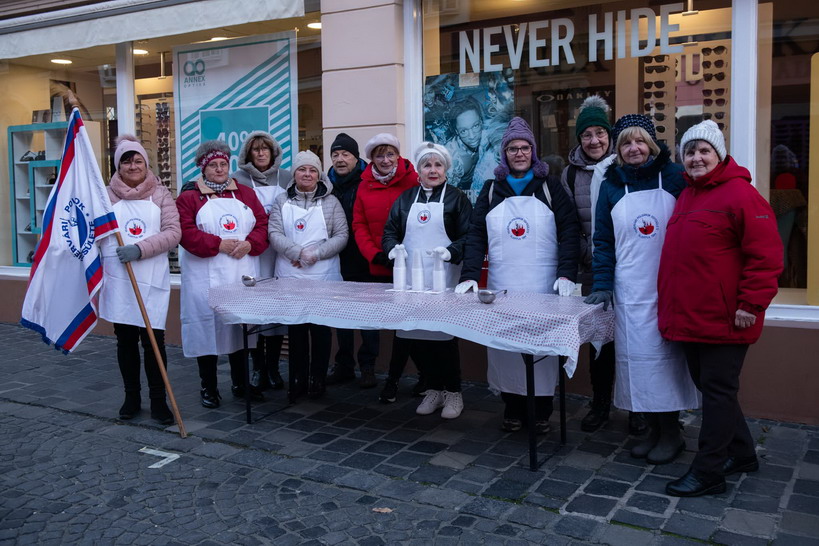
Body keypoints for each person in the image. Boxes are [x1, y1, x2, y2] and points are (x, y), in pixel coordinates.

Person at [659, 121, 783, 496]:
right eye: (690, 152)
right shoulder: (688, 195)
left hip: (727, 317)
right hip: (693, 315)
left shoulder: (742, 195)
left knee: (717, 393)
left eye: (704, 151)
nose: (696, 158)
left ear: (720, 155)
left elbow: (766, 256)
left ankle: (708, 471)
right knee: (715, 390)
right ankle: (741, 453)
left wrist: (751, 303)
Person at [584, 115, 699, 464]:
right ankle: (653, 428)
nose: (633, 149)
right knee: (637, 361)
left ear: (651, 145)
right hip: (630, 290)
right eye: (626, 143)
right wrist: (602, 284)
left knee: (667, 362)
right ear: (618, 150)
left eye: (639, 142)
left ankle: (672, 433)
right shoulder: (611, 185)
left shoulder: (676, 177)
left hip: (669, 287)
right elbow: (603, 241)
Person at [455, 117, 580, 434]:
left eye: (525, 148)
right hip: (504, 285)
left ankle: (541, 411)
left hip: (543, 285)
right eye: (513, 148)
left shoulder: (550, 186)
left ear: (533, 152)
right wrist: (470, 276)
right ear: (505, 154)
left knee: (541, 348)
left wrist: (566, 273)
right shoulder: (491, 189)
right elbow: (476, 235)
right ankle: (511, 407)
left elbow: (569, 230)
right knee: (506, 348)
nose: (519, 153)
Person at [560, 96, 647, 436]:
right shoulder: (570, 175)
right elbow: (569, 226)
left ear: (610, 136)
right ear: (579, 138)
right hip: (593, 270)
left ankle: (637, 407)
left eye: (600, 133)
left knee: (633, 340)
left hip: (633, 270)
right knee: (600, 344)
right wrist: (592, 256)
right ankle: (600, 403)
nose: (594, 140)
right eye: (587, 135)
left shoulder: (627, 167)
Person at [176, 139, 270, 409]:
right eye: (213, 165)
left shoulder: (245, 194)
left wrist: (251, 243)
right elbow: (185, 232)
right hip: (204, 276)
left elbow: (263, 223)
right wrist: (218, 244)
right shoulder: (189, 197)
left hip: (240, 272)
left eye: (223, 164)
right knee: (206, 329)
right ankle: (209, 386)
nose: (219, 169)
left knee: (240, 329)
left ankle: (241, 383)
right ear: (203, 168)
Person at [382, 142, 473, 419]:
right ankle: (433, 389)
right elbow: (390, 231)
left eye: (438, 165)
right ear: (418, 170)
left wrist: (451, 251)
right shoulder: (405, 199)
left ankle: (453, 392)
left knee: (443, 338)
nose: (432, 170)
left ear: (446, 169)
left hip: (444, 276)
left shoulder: (457, 198)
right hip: (412, 278)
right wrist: (392, 249)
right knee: (418, 335)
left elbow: (468, 236)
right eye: (426, 165)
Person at [99, 135, 181, 425]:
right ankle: (131, 397)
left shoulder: (160, 194)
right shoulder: (105, 196)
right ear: (118, 166)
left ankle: (159, 400)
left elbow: (173, 232)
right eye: (126, 161)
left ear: (146, 164)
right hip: (119, 278)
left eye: (138, 161)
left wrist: (140, 249)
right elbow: (93, 230)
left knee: (153, 341)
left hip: (151, 278)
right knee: (125, 341)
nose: (133, 166)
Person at [268, 150, 348, 399]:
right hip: (291, 274)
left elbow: (342, 235)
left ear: (319, 175)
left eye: (312, 170)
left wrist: (317, 253)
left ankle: (317, 378)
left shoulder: (331, 202)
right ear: (294, 174)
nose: (307, 174)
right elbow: (274, 233)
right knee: (297, 330)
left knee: (321, 330)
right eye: (302, 169)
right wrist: (298, 252)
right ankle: (297, 379)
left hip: (323, 274)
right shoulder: (282, 201)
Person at [350, 133, 421, 404]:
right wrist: (375, 254)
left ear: (398, 155)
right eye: (379, 155)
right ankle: (368, 368)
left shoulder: (413, 180)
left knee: (408, 325)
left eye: (390, 154)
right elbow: (359, 224)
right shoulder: (364, 185)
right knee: (371, 321)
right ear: (371, 159)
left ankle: (414, 375)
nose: (385, 160)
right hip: (377, 263)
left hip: (409, 264)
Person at [232, 131, 290, 392]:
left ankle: (273, 367)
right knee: (255, 311)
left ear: (273, 152)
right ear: (248, 154)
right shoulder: (238, 180)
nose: (261, 153)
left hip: (279, 254)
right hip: (253, 254)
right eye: (256, 149)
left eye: (265, 148)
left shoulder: (287, 177)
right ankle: (258, 367)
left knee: (276, 311)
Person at [325, 133, 380, 389]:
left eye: (345, 154)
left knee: (368, 315)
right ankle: (344, 364)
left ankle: (368, 366)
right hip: (337, 259)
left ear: (356, 157)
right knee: (342, 315)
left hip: (365, 258)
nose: (340, 159)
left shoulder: (368, 180)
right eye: (335, 154)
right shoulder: (326, 184)